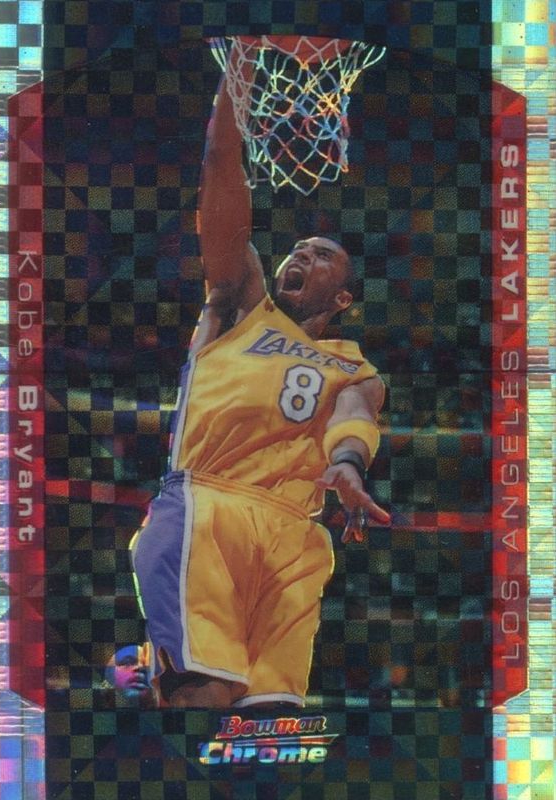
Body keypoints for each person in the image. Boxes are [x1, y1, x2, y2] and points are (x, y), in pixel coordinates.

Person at [130, 55, 389, 709]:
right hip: (208, 508)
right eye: (297, 248)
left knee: (272, 720)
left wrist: (348, 465)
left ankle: (142, 674)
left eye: (321, 255)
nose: (300, 253)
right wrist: (236, 76)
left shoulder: (355, 366)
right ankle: (151, 684)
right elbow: (220, 166)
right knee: (206, 693)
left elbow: (354, 416)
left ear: (344, 297)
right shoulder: (241, 303)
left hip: (296, 533)